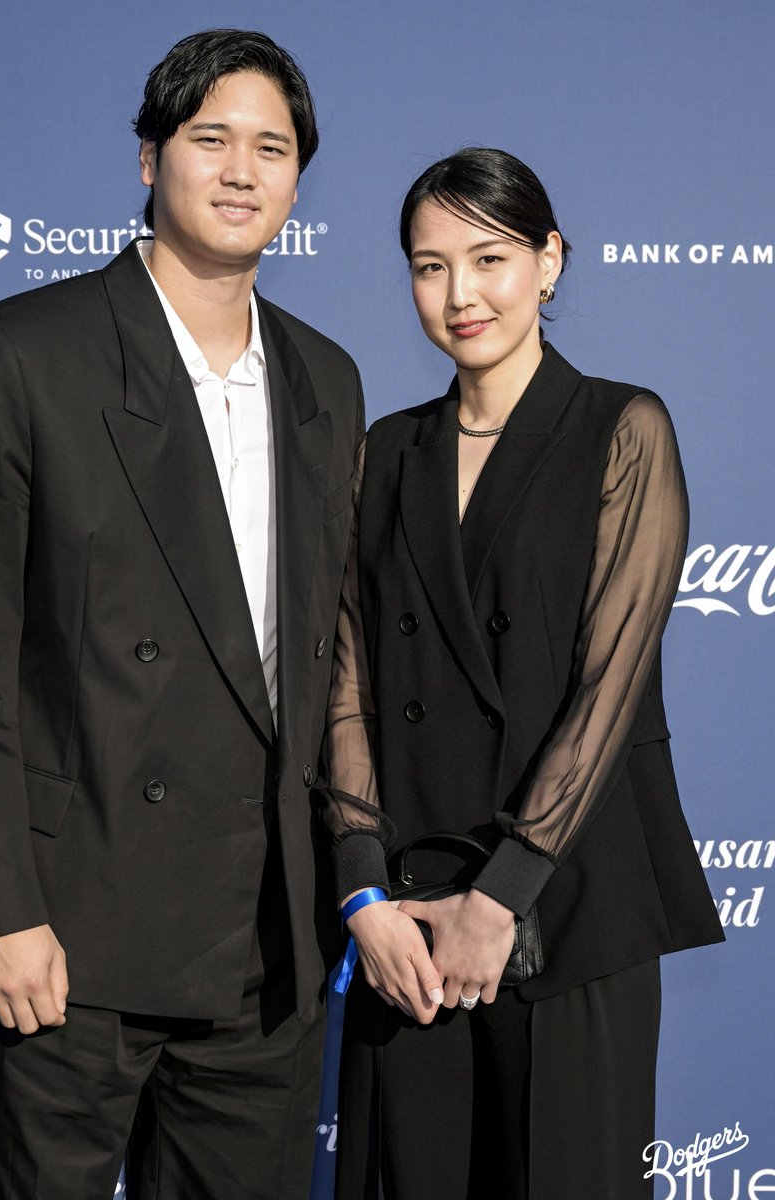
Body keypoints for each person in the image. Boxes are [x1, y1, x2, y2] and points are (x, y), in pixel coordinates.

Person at [0, 29, 363, 1200]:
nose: (242, 170)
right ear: (149, 158)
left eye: (272, 146)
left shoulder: (328, 378)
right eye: (211, 139)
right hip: (69, 941)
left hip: (268, 950)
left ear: (299, 179)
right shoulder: (19, 356)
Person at [317, 148, 723, 1200]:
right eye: (428, 265)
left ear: (550, 262)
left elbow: (610, 686)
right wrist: (361, 886)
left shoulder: (623, 429)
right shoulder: (385, 451)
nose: (460, 294)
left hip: (568, 904)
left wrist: (501, 897)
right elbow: (348, 680)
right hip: (407, 920)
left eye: (489, 258)